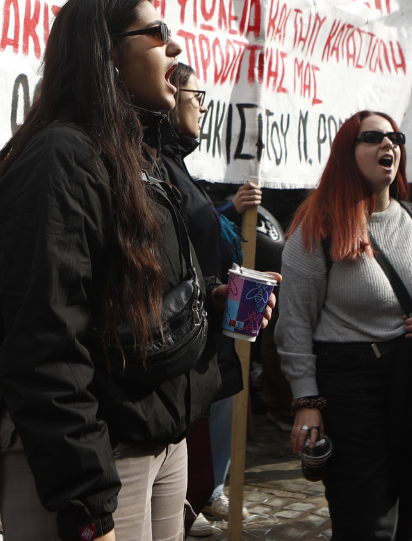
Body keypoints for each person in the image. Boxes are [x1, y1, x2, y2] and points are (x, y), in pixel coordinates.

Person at [0, 0, 267, 541]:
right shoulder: (61, 159)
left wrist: (210, 297)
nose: (177, 46)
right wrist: (87, 505)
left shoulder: (144, 157)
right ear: (106, 52)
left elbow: (141, 282)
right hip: (100, 452)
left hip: (162, 439)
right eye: (158, 33)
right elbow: (46, 341)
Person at [276, 110, 412, 541]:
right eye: (372, 137)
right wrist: (307, 400)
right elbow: (294, 321)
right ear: (346, 152)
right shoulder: (317, 224)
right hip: (352, 387)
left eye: (394, 136)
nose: (387, 144)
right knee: (367, 523)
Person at [157, 64, 258, 535]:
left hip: (199, 340)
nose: (204, 106)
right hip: (172, 351)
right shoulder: (153, 163)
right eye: (199, 95)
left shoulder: (176, 164)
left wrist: (221, 292)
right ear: (170, 93)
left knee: (193, 480)